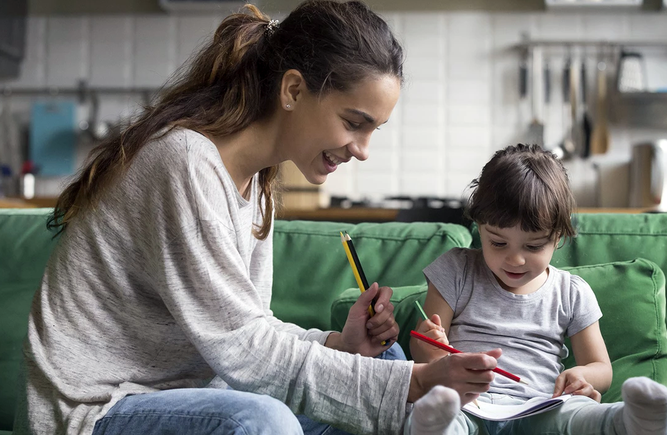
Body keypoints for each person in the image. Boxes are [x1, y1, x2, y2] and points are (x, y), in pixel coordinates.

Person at [13, 2, 504, 435]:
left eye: (373, 130)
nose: (362, 149)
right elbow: (244, 349)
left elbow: (250, 328)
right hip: (97, 411)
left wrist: (340, 342)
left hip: (196, 396)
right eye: (354, 123)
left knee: (385, 359)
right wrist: (413, 383)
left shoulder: (259, 185)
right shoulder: (184, 163)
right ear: (293, 90)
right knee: (263, 423)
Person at [404, 144, 667, 435]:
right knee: (442, 410)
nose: (515, 259)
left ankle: (626, 423)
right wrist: (430, 350)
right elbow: (422, 350)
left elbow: (601, 368)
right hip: (466, 402)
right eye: (498, 243)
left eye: (533, 246)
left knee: (577, 413)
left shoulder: (571, 292)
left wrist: (582, 375)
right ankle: (432, 427)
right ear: (480, 227)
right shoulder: (456, 269)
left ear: (558, 237)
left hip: (539, 407)